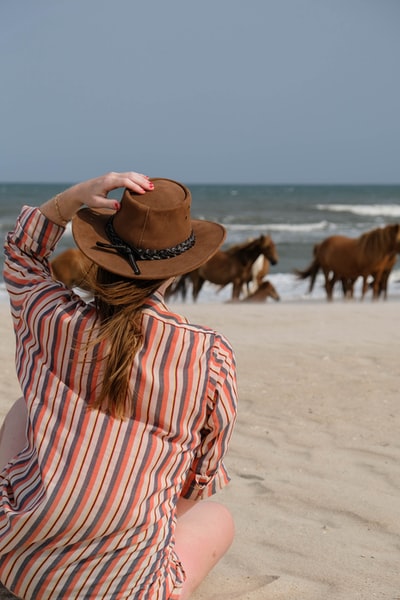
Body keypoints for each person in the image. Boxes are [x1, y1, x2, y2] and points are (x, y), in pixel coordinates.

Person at [0, 172, 237, 599]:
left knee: (22, 409)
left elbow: (21, 253)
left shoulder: (53, 318)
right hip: (124, 586)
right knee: (219, 518)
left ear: (99, 252)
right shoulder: (208, 356)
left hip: (16, 565)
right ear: (179, 269)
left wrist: (73, 198)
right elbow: (199, 478)